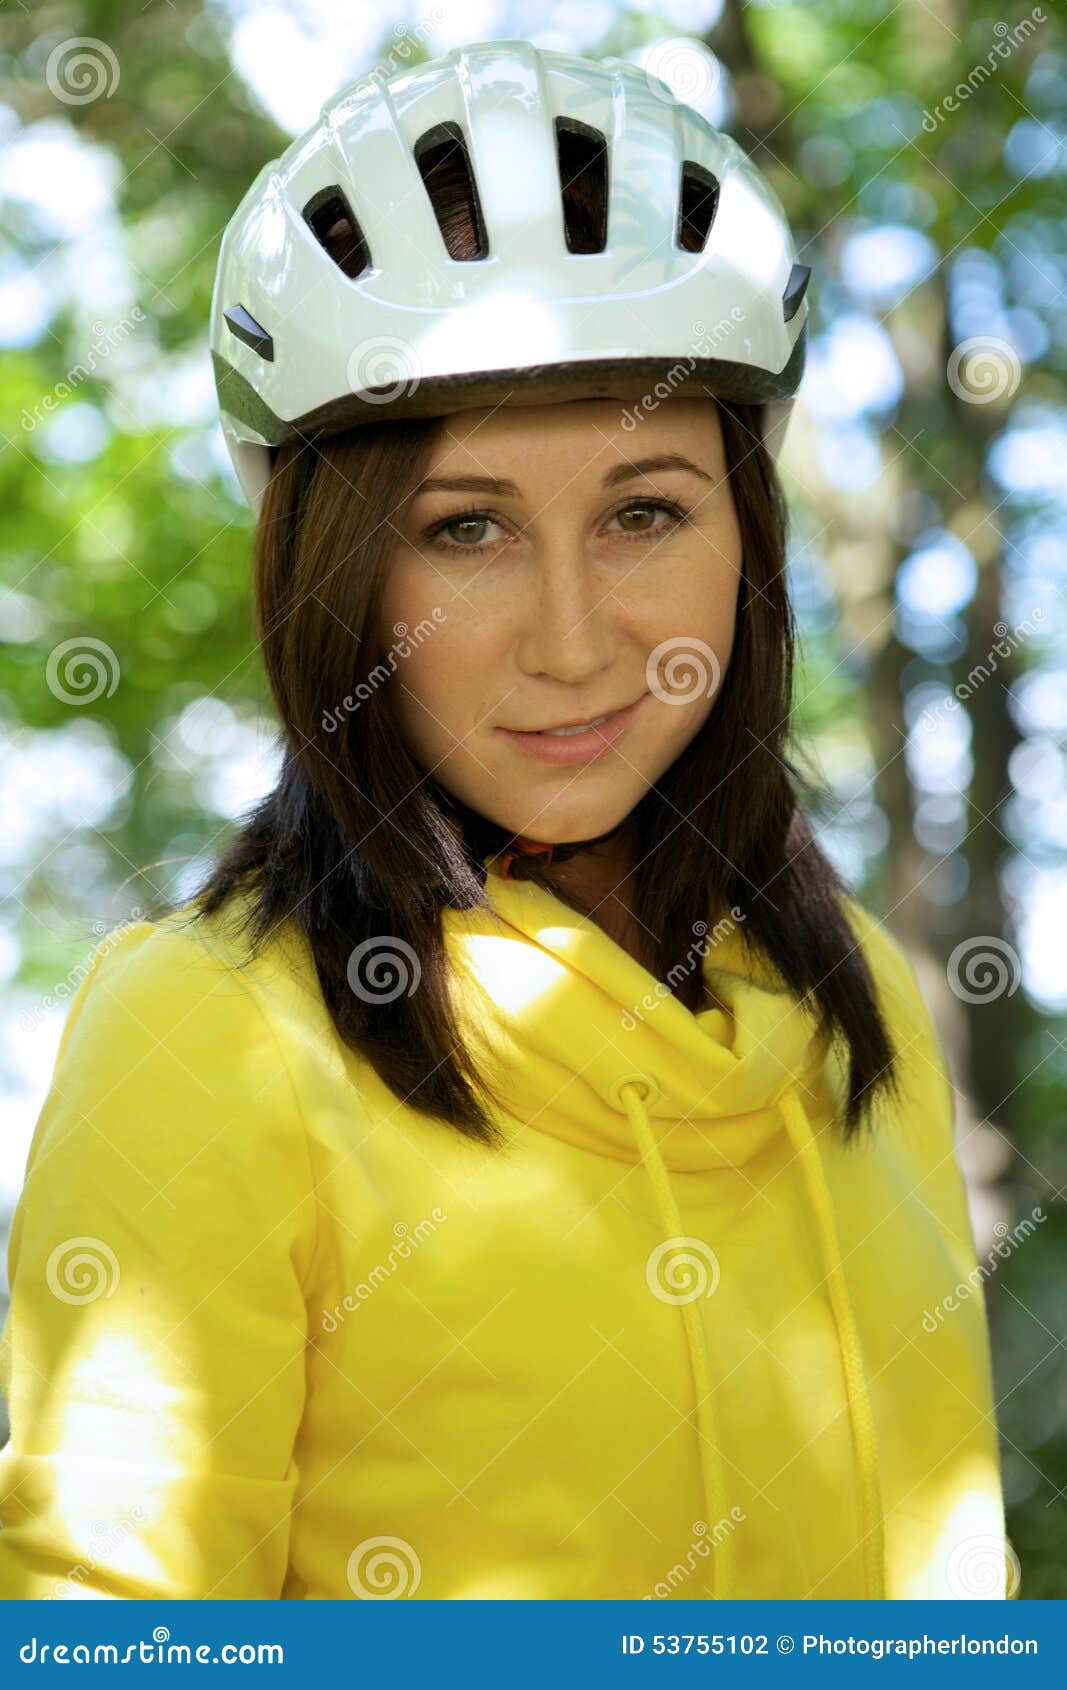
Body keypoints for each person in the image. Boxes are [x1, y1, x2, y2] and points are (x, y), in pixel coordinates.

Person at [0, 40, 1009, 1602]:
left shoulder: (858, 994)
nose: (573, 638)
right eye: (465, 528)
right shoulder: (207, 1032)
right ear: (334, 574)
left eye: (645, 512)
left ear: (747, 524)